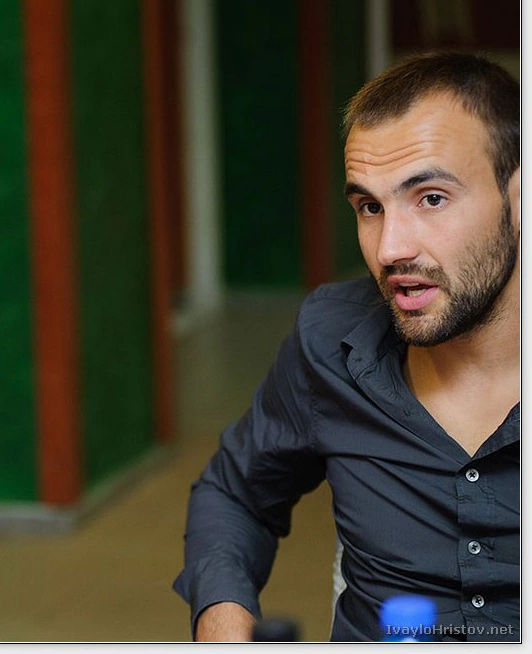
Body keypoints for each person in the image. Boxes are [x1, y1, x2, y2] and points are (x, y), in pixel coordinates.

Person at [173, 51, 519, 642]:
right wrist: (223, 623)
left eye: (431, 198)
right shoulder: (331, 341)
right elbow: (234, 493)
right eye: (369, 207)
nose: (390, 248)